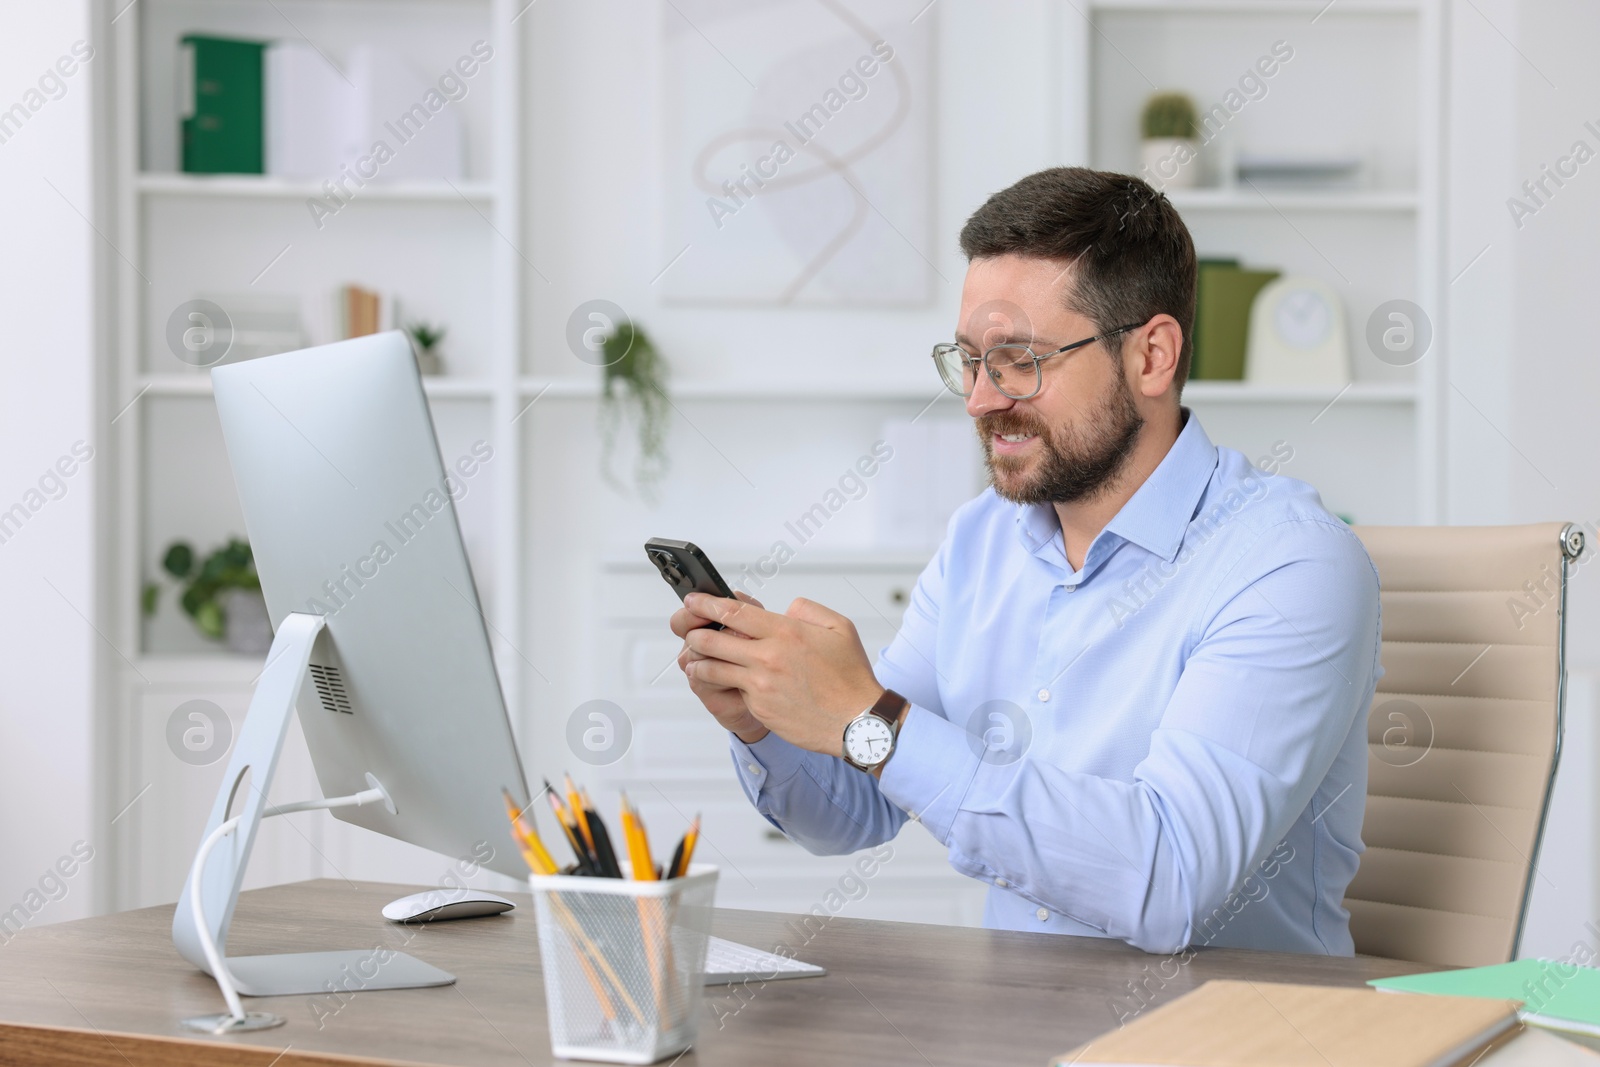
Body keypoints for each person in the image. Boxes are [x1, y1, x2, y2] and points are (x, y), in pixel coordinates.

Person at [669, 166, 1381, 955]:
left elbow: (1171, 879)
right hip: (1022, 1023)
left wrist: (869, 719)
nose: (979, 399)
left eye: (1019, 360)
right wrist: (764, 718)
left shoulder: (1290, 564)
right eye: (969, 359)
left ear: (1152, 356)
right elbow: (855, 810)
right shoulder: (982, 540)